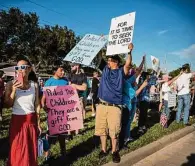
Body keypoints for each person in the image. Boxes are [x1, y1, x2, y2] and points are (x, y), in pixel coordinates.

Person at [95, 43, 134, 163]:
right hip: (101, 105)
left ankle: (114, 151)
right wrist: (99, 44)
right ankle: (103, 150)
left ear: (116, 62)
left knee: (114, 131)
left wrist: (129, 52)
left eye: (110, 60)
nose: (108, 61)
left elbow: (128, 64)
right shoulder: (105, 69)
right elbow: (98, 58)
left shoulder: (121, 72)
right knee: (102, 130)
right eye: (108, 60)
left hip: (114, 107)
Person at [4, 58, 41, 166]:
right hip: (17, 123)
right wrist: (14, 90)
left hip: (31, 121)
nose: (20, 70)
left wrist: (38, 122)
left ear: (29, 69)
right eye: (17, 68)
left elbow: (37, 104)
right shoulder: (10, 84)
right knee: (17, 149)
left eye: (23, 67)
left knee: (30, 149)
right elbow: (7, 104)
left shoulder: (34, 85)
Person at [41, 66, 69, 158]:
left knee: (62, 133)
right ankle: (47, 153)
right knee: (50, 134)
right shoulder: (49, 82)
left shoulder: (65, 81)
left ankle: (63, 151)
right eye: (61, 70)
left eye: (63, 70)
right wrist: (44, 106)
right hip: (52, 113)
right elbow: (43, 98)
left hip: (63, 113)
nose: (63, 72)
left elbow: (69, 95)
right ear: (55, 71)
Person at [122, 56, 145, 145]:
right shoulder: (124, 80)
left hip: (133, 102)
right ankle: (124, 138)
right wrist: (143, 85)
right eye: (129, 67)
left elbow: (138, 71)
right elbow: (134, 93)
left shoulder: (131, 78)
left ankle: (127, 136)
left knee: (130, 120)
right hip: (126, 103)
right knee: (126, 120)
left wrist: (142, 61)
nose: (131, 69)